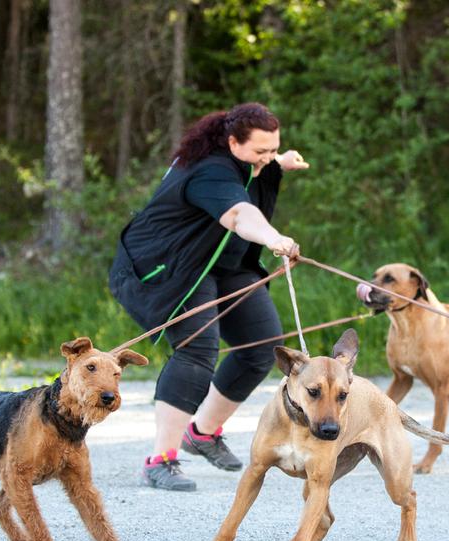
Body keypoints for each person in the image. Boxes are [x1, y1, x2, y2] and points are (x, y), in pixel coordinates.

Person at [108, 102, 308, 491]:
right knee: (197, 349)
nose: (265, 160)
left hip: (223, 266)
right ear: (232, 141)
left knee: (262, 345)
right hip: (170, 267)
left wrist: (278, 161)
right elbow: (238, 215)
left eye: (273, 149)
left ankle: (202, 433)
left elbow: (255, 173)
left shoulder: (248, 159)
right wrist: (274, 239)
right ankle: (161, 459)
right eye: (260, 152)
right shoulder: (209, 170)